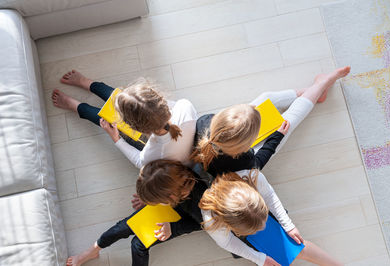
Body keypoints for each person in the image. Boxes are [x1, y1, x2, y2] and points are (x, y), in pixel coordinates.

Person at [192, 67, 351, 176]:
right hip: (243, 155)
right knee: (289, 120)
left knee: (266, 98)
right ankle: (322, 84)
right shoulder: (243, 159)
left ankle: (315, 91)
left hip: (232, 143)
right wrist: (277, 136)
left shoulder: (204, 121)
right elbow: (258, 162)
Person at [66, 160, 208, 266]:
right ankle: (93, 250)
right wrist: (149, 196)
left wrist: (172, 227)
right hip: (174, 199)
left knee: (138, 243)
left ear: (168, 198)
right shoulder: (173, 171)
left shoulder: (202, 205)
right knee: (126, 226)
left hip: (186, 218)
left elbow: (202, 224)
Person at [52, 70, 198, 168]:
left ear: (136, 129)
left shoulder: (153, 151)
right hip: (171, 138)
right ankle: (87, 83)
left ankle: (77, 105)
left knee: (110, 120)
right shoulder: (184, 106)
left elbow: (139, 161)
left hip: (171, 156)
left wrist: (116, 139)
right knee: (129, 101)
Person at [199, 170, 343, 266]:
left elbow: (269, 195)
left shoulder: (253, 176)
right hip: (229, 220)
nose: (263, 227)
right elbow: (228, 242)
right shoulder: (211, 220)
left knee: (294, 246)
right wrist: (259, 259)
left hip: (241, 210)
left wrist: (288, 225)